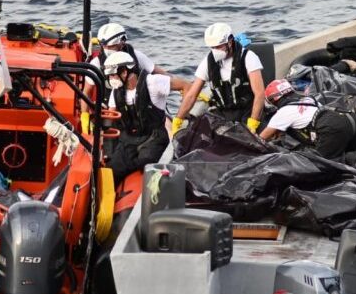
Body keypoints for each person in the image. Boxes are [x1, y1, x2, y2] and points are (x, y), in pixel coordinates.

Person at [103, 51, 189, 183]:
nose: (111, 80)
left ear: (124, 72)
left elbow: (185, 86)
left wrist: (181, 117)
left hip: (153, 137)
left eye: (113, 76)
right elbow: (110, 119)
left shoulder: (153, 82)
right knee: (112, 169)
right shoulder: (116, 92)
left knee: (146, 163)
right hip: (129, 139)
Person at [172, 23, 265, 133]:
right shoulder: (208, 62)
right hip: (223, 113)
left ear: (230, 42)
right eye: (212, 47)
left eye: (218, 47)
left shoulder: (248, 57)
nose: (215, 50)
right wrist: (178, 119)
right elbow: (192, 95)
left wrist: (253, 123)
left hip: (247, 111)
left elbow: (259, 93)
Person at [82, 22, 167, 133]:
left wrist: (182, 86)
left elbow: (158, 71)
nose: (107, 49)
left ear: (121, 43)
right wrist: (84, 116)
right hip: (111, 110)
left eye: (110, 46)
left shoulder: (135, 56)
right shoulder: (96, 64)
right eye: (104, 46)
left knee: (163, 125)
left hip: (139, 106)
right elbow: (86, 92)